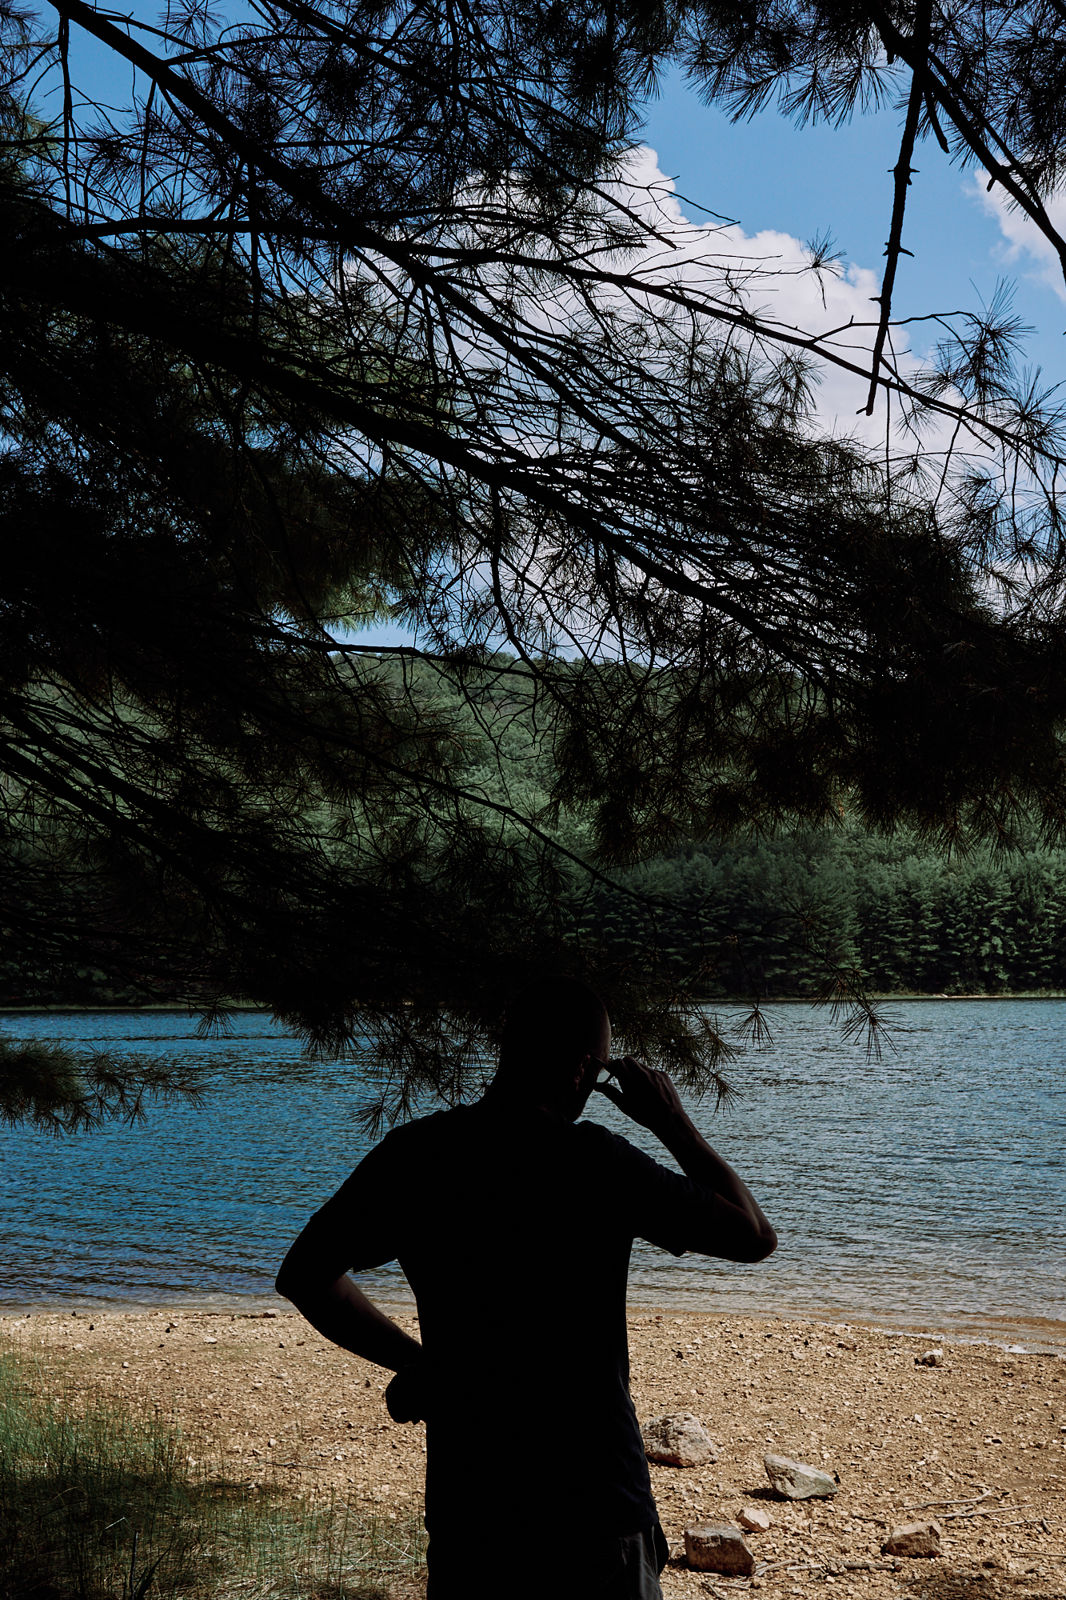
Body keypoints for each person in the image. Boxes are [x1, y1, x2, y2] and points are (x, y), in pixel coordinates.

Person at [275, 977, 777, 1599]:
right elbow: (753, 1236)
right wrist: (674, 1123)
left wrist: (424, 1364)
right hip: (596, 1501)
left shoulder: (419, 1155)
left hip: (474, 1506)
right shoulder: (596, 1161)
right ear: (581, 1070)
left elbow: (305, 1275)